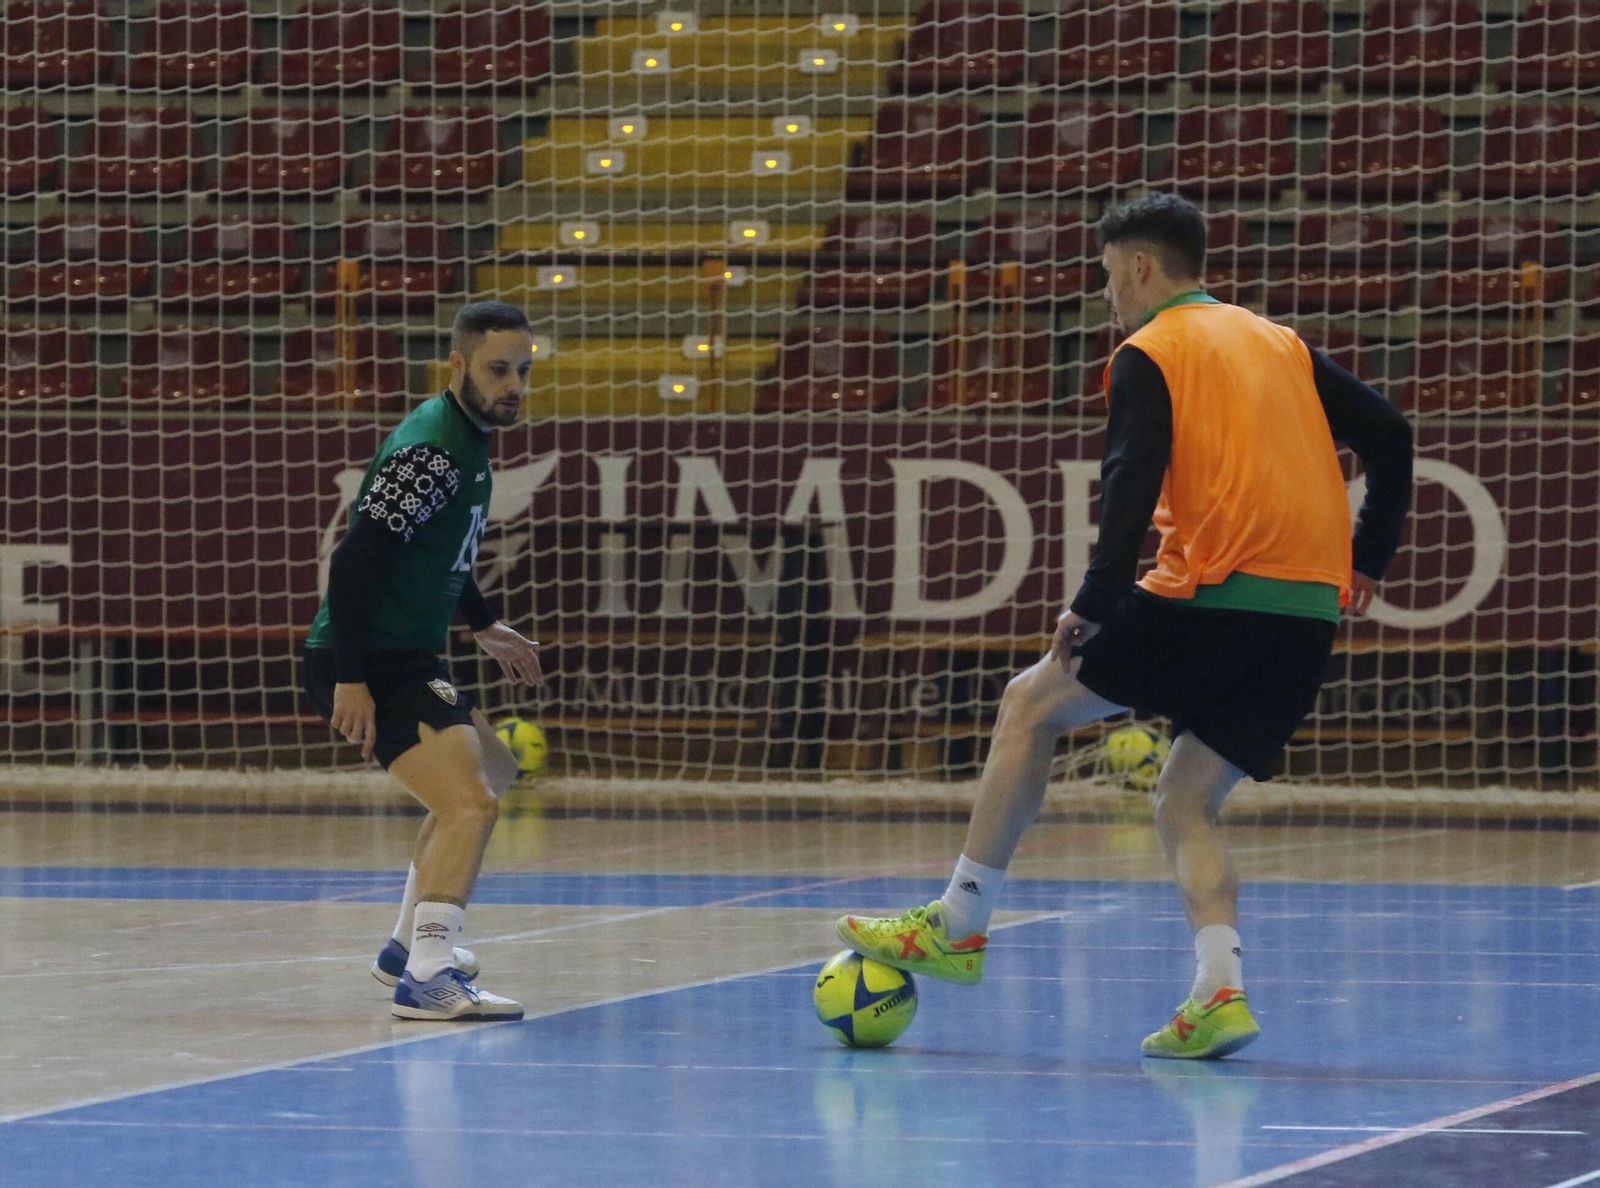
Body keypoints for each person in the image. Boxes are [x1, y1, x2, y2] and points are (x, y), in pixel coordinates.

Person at [836, 194, 1414, 1059]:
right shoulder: (1278, 341)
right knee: (1185, 798)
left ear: (1142, 268)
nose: (1107, 297)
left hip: (1212, 594)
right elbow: (1391, 433)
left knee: (1028, 703)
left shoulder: (1152, 348)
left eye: (1110, 278)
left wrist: (1098, 596)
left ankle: (957, 921)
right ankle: (1220, 992)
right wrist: (1368, 558)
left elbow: (1130, 475)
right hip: (1302, 617)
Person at [302, 300, 545, 1022]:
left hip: (409, 652)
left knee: (494, 770)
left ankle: (408, 947)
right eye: (500, 369)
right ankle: (429, 977)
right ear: (459, 365)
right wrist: (350, 677)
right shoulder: (433, 450)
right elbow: (352, 564)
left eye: (524, 372)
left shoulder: (469, 438)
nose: (514, 385)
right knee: (469, 804)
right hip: (373, 659)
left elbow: (441, 550)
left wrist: (485, 625)